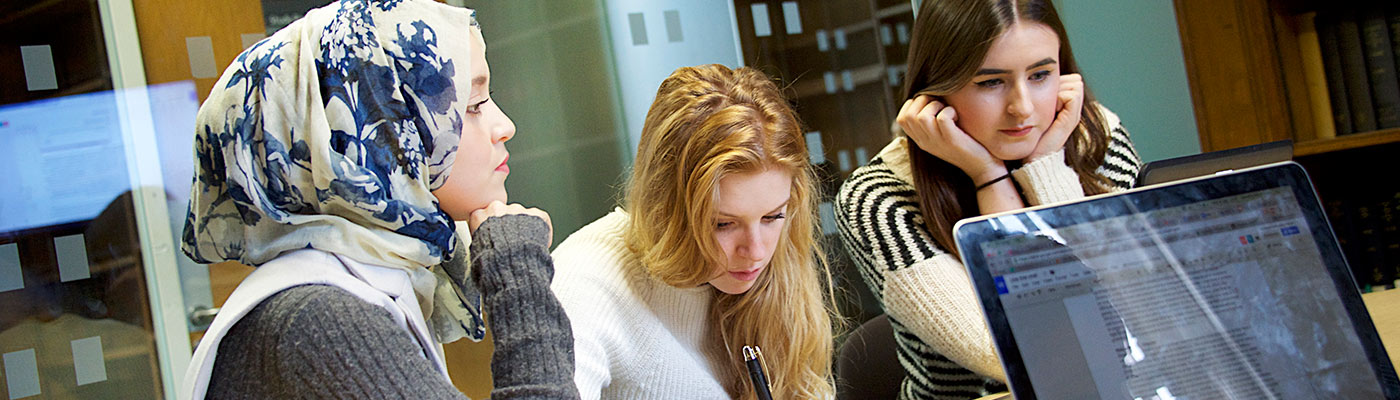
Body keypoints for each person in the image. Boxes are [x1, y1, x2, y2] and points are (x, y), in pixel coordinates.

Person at [179, 1, 579, 398]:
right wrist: (519, 275)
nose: (504, 126)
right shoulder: (320, 319)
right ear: (376, 138)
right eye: (471, 106)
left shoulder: (374, 280)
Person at [833, 0, 1143, 398]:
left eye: (1041, 75)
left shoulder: (1095, 137)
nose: (1023, 108)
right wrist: (989, 177)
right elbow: (1036, 352)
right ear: (936, 88)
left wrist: (1046, 166)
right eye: (990, 82)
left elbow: (1136, 314)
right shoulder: (876, 199)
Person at [550, 64, 838, 399]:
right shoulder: (584, 281)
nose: (756, 251)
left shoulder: (775, 275)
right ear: (667, 206)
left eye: (772, 217)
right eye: (723, 224)